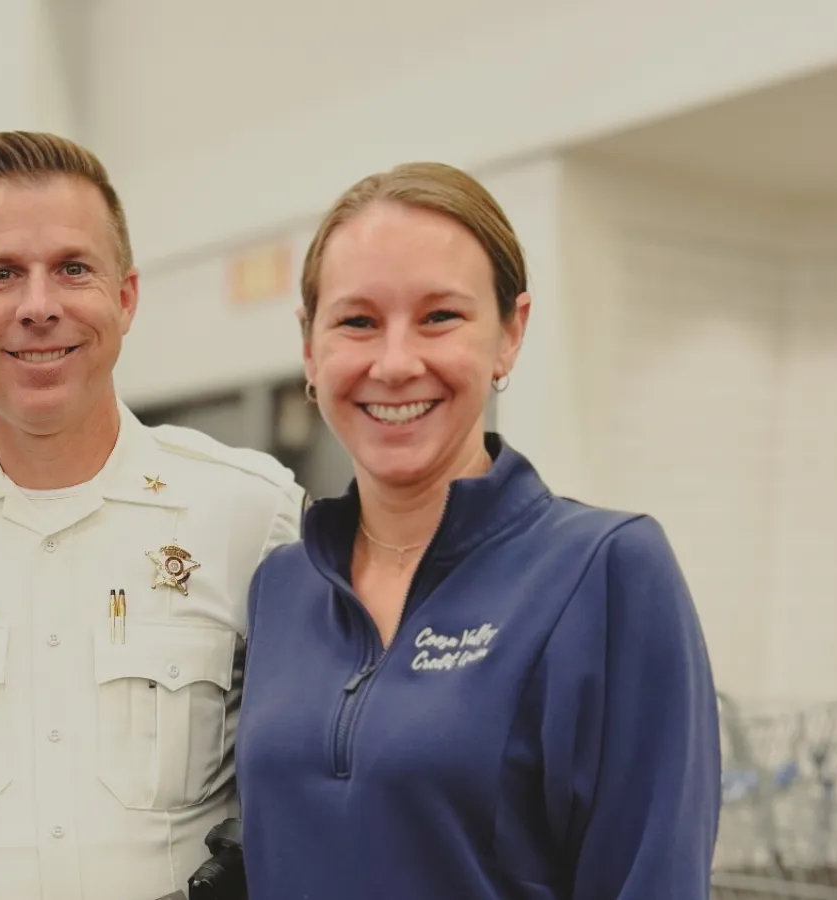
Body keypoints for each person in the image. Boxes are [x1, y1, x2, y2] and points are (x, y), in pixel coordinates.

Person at [0, 131, 306, 900]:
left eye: (74, 269)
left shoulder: (252, 513)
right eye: (3, 274)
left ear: (126, 297)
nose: (39, 306)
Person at [234, 162, 722, 898]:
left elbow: (653, 877)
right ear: (310, 346)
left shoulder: (607, 571)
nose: (395, 364)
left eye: (440, 317)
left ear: (509, 333)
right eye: (358, 321)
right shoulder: (282, 585)